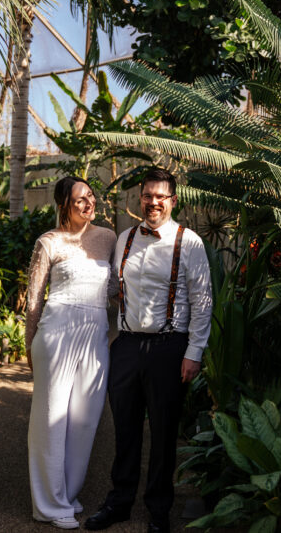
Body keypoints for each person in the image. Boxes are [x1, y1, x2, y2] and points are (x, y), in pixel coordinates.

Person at [85, 168, 214, 533]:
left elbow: (203, 301)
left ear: (173, 200)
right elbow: (112, 287)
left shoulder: (188, 243)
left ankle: (159, 509)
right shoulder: (125, 238)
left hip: (168, 347)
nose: (153, 202)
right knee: (124, 429)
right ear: (139, 198)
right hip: (125, 344)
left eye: (161, 196)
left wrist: (194, 351)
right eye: (147, 195)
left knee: (162, 432)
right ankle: (119, 502)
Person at [26, 176, 117, 530]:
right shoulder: (48, 242)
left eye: (90, 197)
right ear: (64, 204)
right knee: (51, 419)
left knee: (85, 419)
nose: (87, 203)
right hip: (56, 332)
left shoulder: (108, 237)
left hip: (94, 335)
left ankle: (66, 494)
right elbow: (34, 301)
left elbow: (112, 288)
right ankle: (48, 505)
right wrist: (29, 345)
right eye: (79, 199)